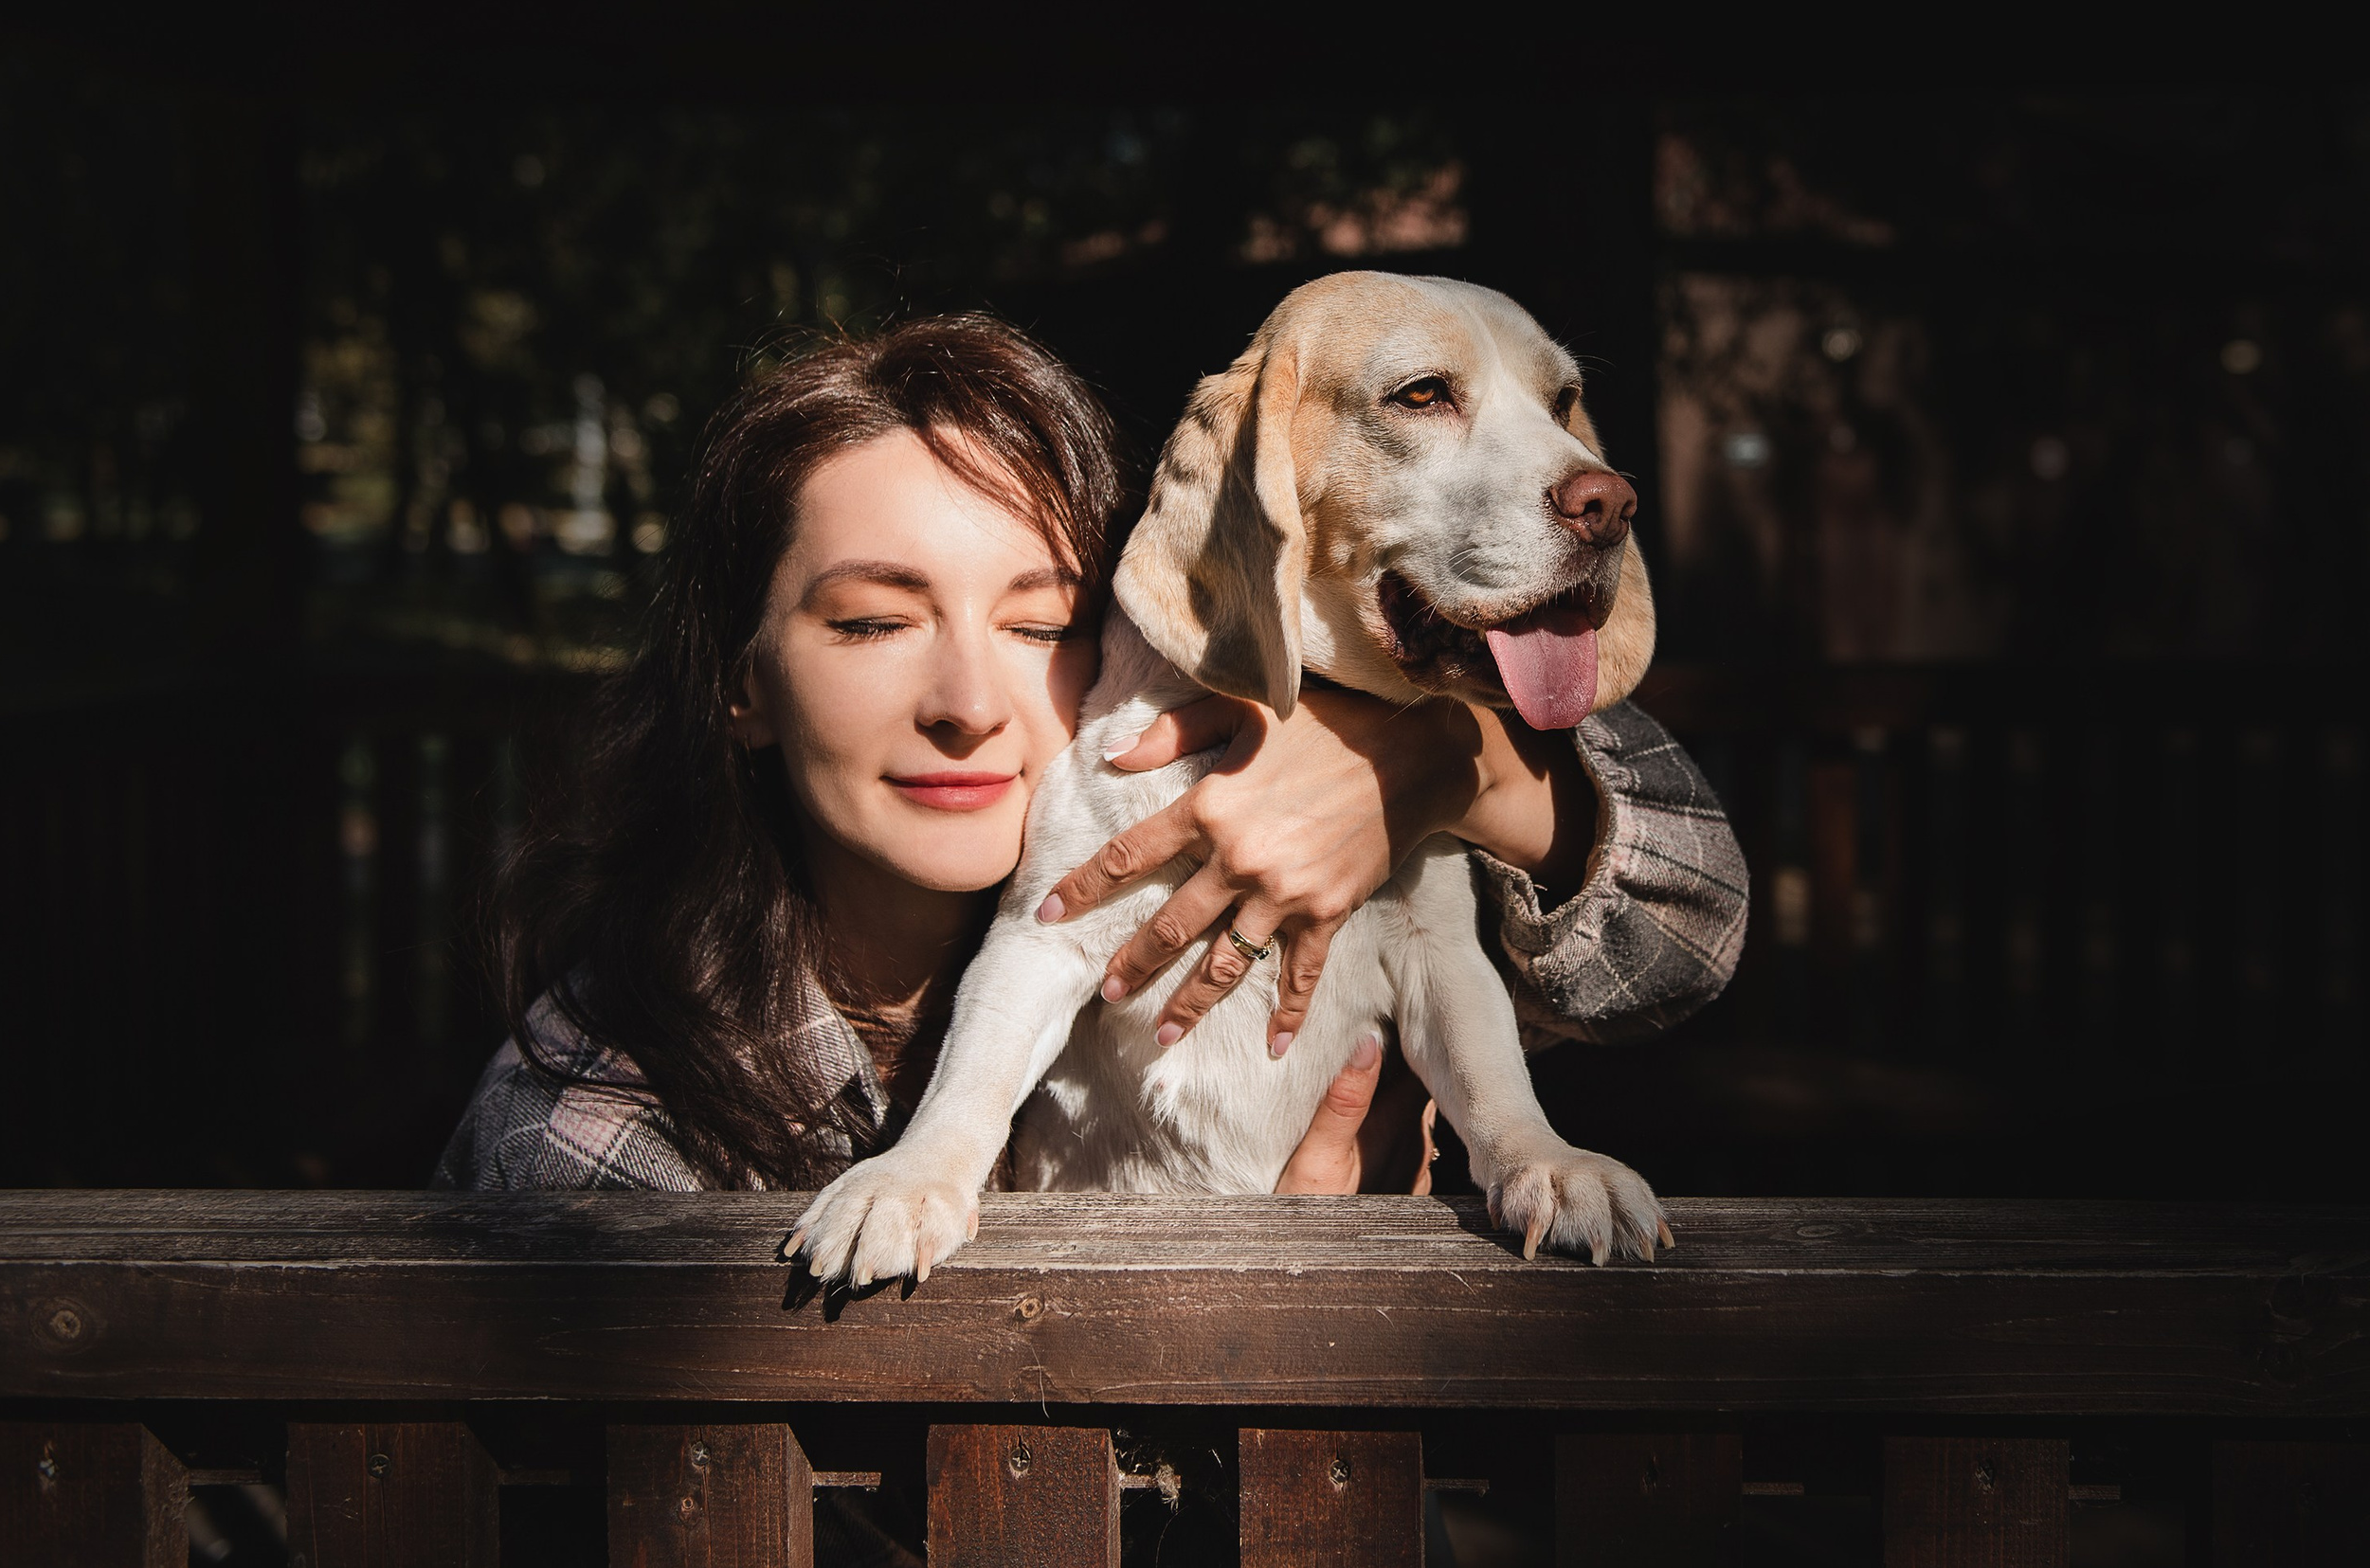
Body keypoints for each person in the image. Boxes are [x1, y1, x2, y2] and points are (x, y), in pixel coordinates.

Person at [436, 314, 1747, 1201]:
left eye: (1042, 623)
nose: (967, 701)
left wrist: (1442, 759)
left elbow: (1687, 937)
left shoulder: (1252, 869)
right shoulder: (588, 1143)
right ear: (740, 687)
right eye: (876, 621)